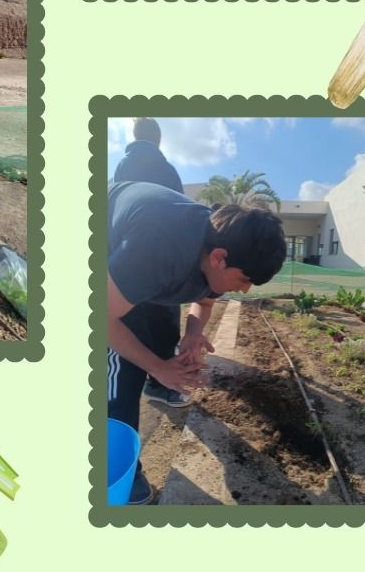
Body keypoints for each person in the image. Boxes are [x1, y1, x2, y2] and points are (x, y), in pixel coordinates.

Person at [107, 181, 285, 504]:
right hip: (107, 246)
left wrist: (192, 333)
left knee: (163, 333)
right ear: (218, 258)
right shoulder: (158, 248)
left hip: (147, 265)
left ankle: (158, 384)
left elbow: (204, 302)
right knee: (122, 374)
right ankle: (117, 467)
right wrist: (158, 368)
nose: (244, 291)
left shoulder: (222, 245)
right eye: (244, 280)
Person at [112, 119, 187, 408]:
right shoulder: (168, 170)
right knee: (165, 319)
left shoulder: (123, 165)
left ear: (135, 136)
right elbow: (178, 210)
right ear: (158, 140)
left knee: (132, 317)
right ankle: (158, 384)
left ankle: (140, 376)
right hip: (164, 257)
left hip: (127, 254)